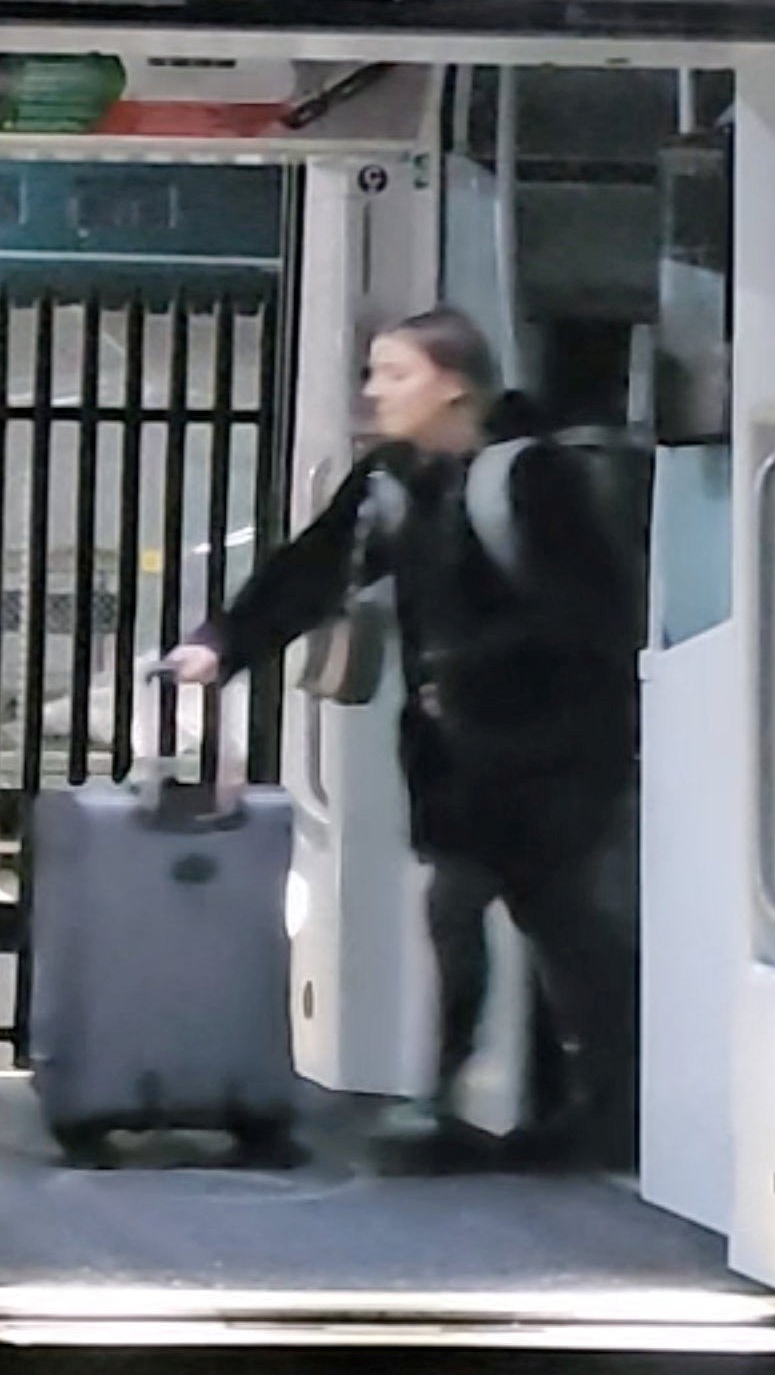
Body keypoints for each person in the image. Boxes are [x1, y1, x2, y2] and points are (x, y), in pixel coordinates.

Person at [167, 309, 645, 1171]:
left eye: (395, 373)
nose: (374, 391)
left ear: (455, 383)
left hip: (555, 748)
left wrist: (473, 663)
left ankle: (511, 1103)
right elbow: (310, 568)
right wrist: (224, 642)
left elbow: (596, 613)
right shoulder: (393, 483)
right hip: (465, 752)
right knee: (528, 917)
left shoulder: (530, 478)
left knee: (520, 914)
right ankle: (554, 1105)